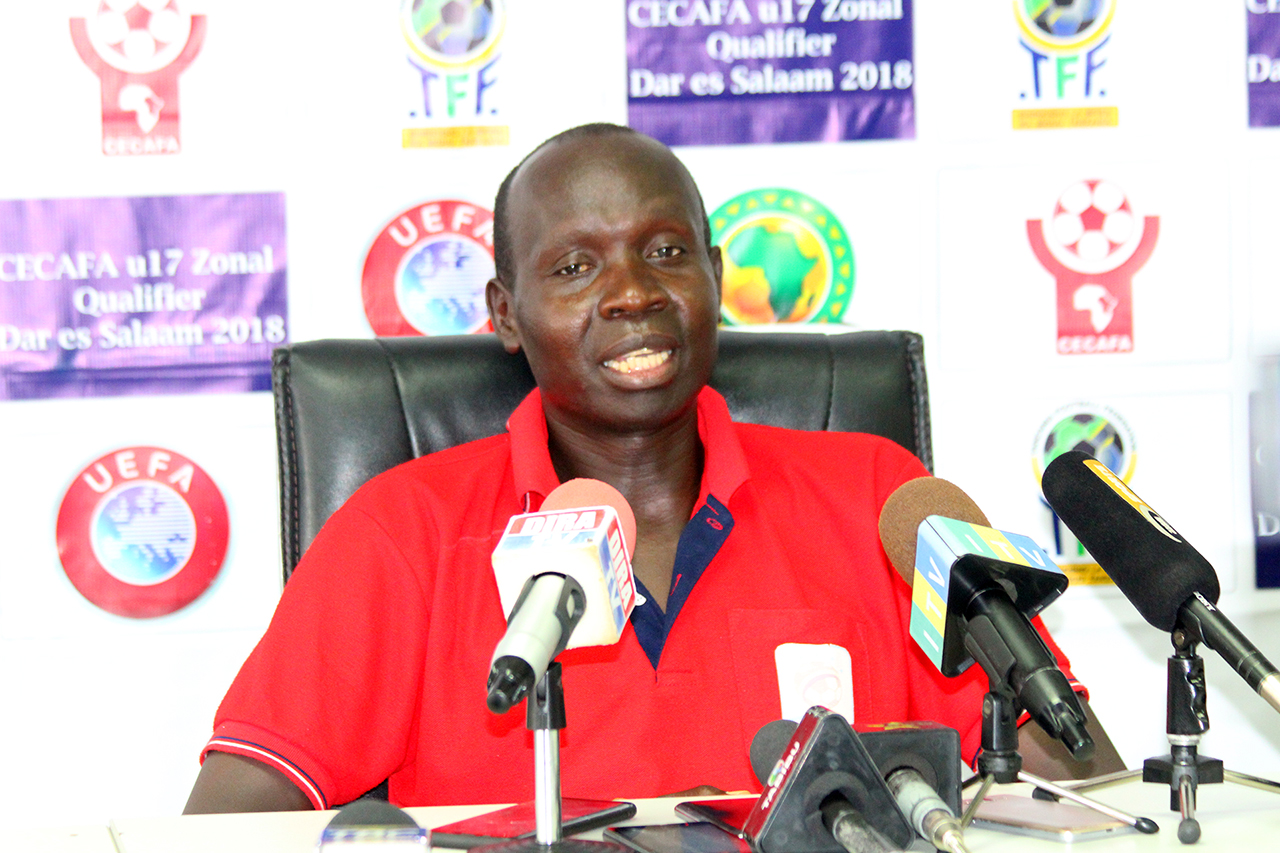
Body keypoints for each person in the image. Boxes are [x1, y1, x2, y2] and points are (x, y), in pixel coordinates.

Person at [185, 123, 1122, 814]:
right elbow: (233, 815)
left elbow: (1081, 792)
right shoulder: (407, 530)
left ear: (715, 277)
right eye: (575, 267)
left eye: (666, 252)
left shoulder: (882, 498)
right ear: (506, 314)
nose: (632, 292)